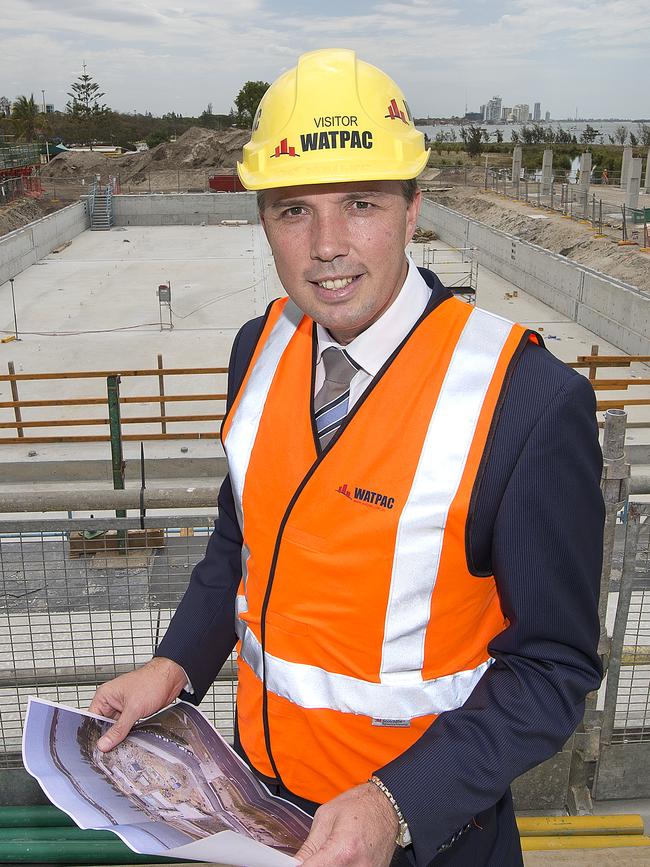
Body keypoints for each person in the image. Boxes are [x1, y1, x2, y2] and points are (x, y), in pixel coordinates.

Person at [90, 49, 604, 866]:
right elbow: (242, 541)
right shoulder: (258, 350)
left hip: (423, 835)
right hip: (259, 808)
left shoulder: (525, 404)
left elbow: (554, 667)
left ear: (411, 209)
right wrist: (177, 663)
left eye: (360, 203)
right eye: (294, 211)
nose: (327, 246)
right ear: (263, 220)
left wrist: (402, 801)